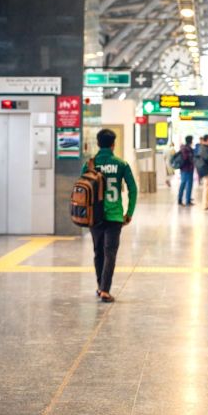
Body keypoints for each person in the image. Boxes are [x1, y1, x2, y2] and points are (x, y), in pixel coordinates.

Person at [83, 128, 137, 303]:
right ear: (113, 145)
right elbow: (133, 189)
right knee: (110, 253)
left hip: (95, 216)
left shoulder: (90, 165)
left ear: (98, 144)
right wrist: (129, 213)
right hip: (114, 216)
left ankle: (100, 287)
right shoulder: (121, 164)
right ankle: (105, 290)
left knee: (98, 252)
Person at [194, 133, 208, 210]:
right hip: (206, 170)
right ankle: (205, 204)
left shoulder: (203, 147)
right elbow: (207, 158)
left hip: (206, 170)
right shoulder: (204, 148)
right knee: (207, 188)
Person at [176, 135, 194, 206]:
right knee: (188, 185)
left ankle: (180, 199)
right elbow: (187, 158)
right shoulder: (188, 149)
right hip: (188, 168)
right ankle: (187, 201)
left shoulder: (183, 148)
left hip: (183, 169)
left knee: (183, 184)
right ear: (191, 141)